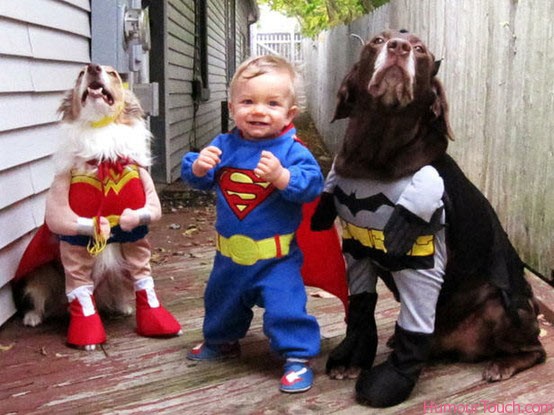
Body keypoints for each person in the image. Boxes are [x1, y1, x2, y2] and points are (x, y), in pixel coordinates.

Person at [181, 55, 323, 393]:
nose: (259, 110)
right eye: (248, 101)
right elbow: (197, 177)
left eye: (272, 103)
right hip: (229, 257)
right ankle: (222, 340)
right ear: (232, 107)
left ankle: (297, 356)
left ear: (290, 113)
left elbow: (312, 185)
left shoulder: (291, 150)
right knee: (221, 301)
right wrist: (199, 167)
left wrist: (282, 177)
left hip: (276, 258)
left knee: (285, 307)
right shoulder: (223, 145)